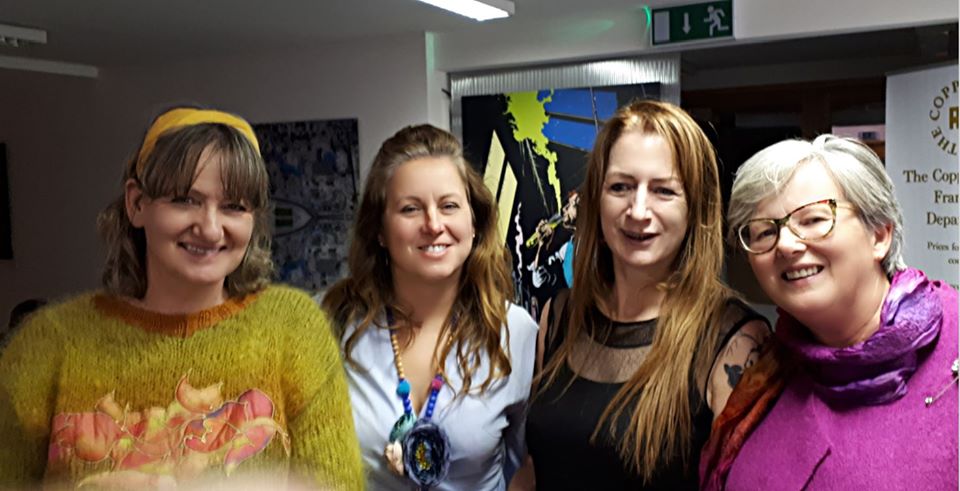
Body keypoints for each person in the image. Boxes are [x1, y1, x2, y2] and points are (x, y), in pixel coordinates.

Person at [0, 107, 364, 489]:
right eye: (185, 200)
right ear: (137, 204)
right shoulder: (47, 344)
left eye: (234, 206)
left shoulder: (293, 328)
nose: (209, 228)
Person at [523, 99, 770, 489]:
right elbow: (531, 473)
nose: (638, 210)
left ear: (696, 207)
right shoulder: (559, 316)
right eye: (620, 186)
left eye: (663, 191)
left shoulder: (733, 340)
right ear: (596, 198)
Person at [701, 135, 958, 490]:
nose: (787, 245)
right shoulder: (767, 374)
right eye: (764, 232)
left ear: (879, 235)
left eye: (813, 219)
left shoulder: (952, 344)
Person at [323, 124, 538, 490]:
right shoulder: (334, 322)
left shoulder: (515, 332)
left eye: (449, 205)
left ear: (474, 222)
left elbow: (527, 464)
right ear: (379, 230)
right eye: (410, 209)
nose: (433, 225)